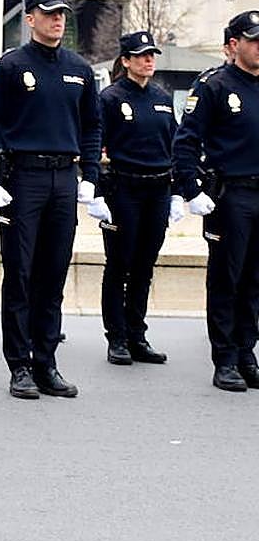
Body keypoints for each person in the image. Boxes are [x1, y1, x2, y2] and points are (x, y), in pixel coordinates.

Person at [0, 0, 101, 400]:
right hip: (22, 177)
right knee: (22, 273)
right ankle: (20, 365)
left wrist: (91, 175)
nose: (57, 19)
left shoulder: (80, 69)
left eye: (61, 13)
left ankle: (46, 362)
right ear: (30, 19)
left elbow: (92, 126)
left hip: (63, 178)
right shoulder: (9, 66)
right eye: (48, 13)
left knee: (54, 273)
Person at [172, 10, 259, 392]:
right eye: (253, 40)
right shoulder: (214, 86)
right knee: (227, 277)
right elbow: (186, 140)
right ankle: (224, 358)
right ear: (233, 45)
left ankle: (246, 352)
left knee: (255, 280)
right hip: (231, 194)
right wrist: (191, 189)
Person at [97, 31, 179, 366]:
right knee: (120, 264)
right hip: (124, 189)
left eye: (152, 55)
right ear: (126, 60)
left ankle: (137, 333)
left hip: (157, 188)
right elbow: (96, 146)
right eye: (141, 55)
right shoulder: (111, 98)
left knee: (145, 265)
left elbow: (173, 144)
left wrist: (176, 192)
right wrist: (99, 192)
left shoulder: (161, 97)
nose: (148, 61)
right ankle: (116, 337)